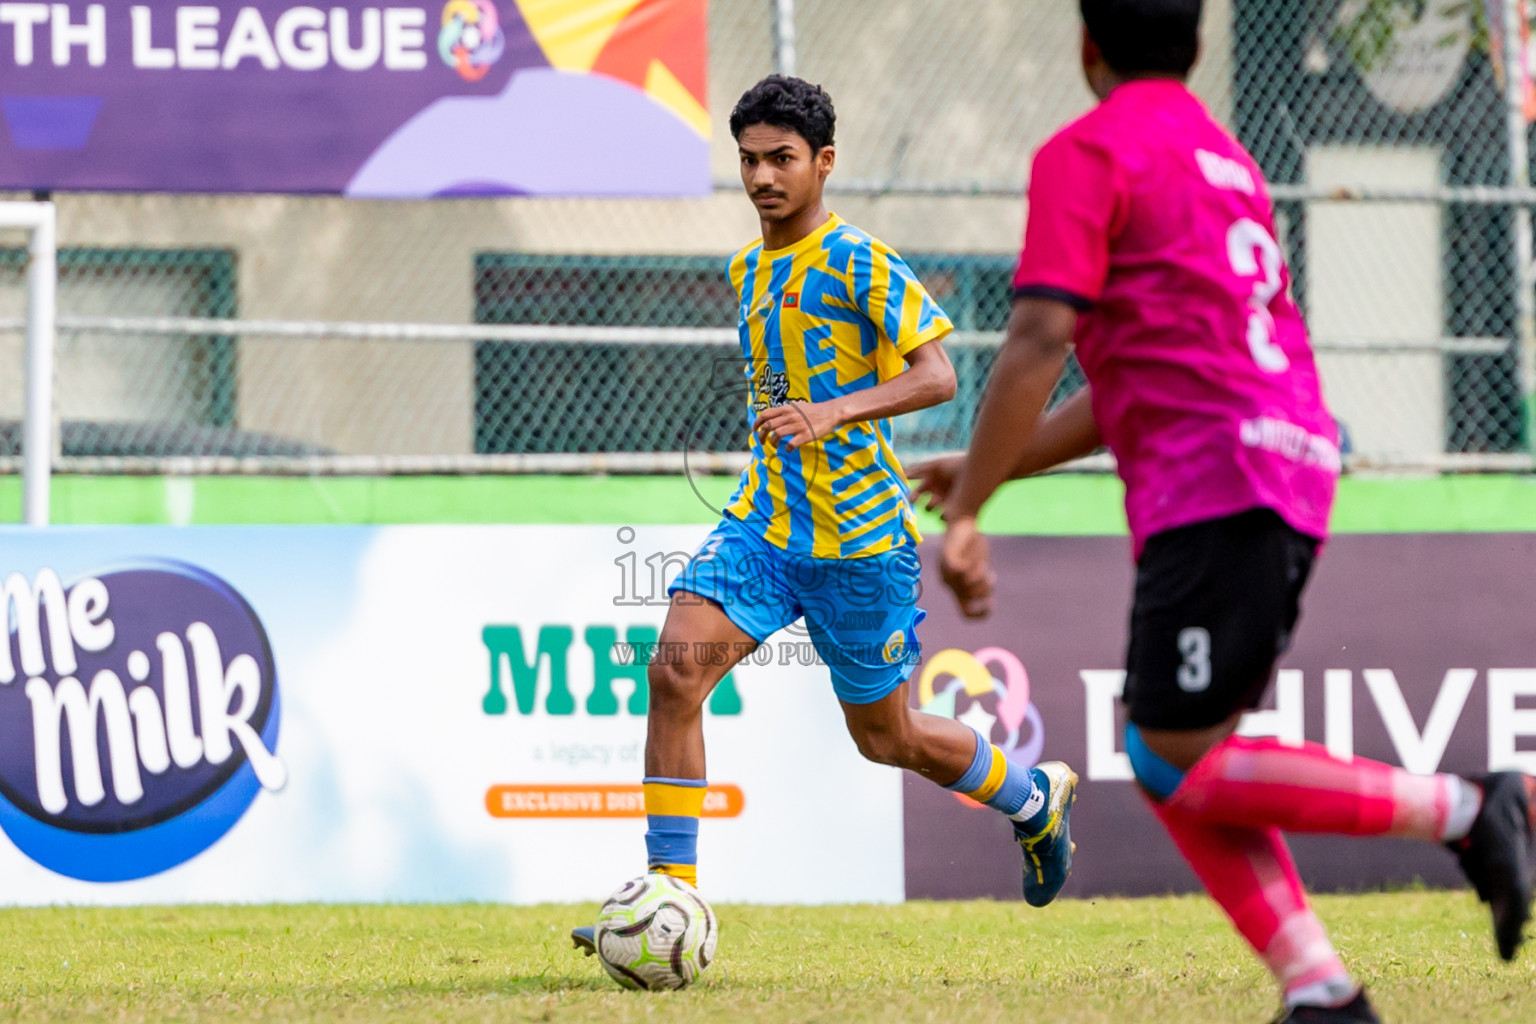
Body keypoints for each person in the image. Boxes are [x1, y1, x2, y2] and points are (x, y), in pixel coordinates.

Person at [911, 2, 1536, 1022]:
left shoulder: (1089, 151)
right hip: (1281, 464)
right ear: (1198, 48)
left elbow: (1037, 334)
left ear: (1085, 46)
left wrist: (971, 506)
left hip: (1218, 478)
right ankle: (1320, 988)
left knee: (1170, 751)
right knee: (1181, 760)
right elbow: (1128, 388)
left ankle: (1468, 808)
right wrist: (995, 467)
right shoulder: (1223, 160)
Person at [572, 76, 1079, 958]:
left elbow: (938, 375)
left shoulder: (860, 261)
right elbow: (776, 386)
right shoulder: (747, 268)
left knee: (887, 738)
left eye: (782, 158)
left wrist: (831, 413)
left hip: (862, 545)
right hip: (764, 528)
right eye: (749, 160)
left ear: (823, 163)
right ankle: (671, 903)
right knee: (673, 675)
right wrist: (788, 420)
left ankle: (1031, 799)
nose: (763, 176)